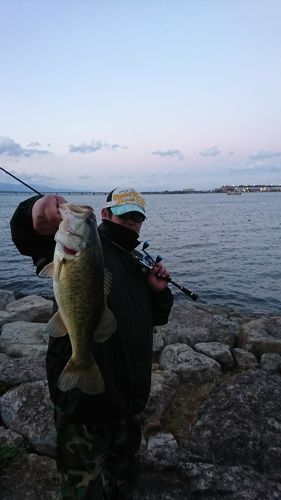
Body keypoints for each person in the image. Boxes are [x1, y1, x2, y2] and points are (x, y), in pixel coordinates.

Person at [10, 187, 173, 499]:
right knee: (82, 488)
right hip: (85, 405)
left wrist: (158, 291)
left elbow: (155, 317)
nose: (132, 223)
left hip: (128, 400)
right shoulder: (77, 244)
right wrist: (34, 212)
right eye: (125, 215)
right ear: (106, 214)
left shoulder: (137, 260)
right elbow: (26, 236)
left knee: (123, 482)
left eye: (137, 218)